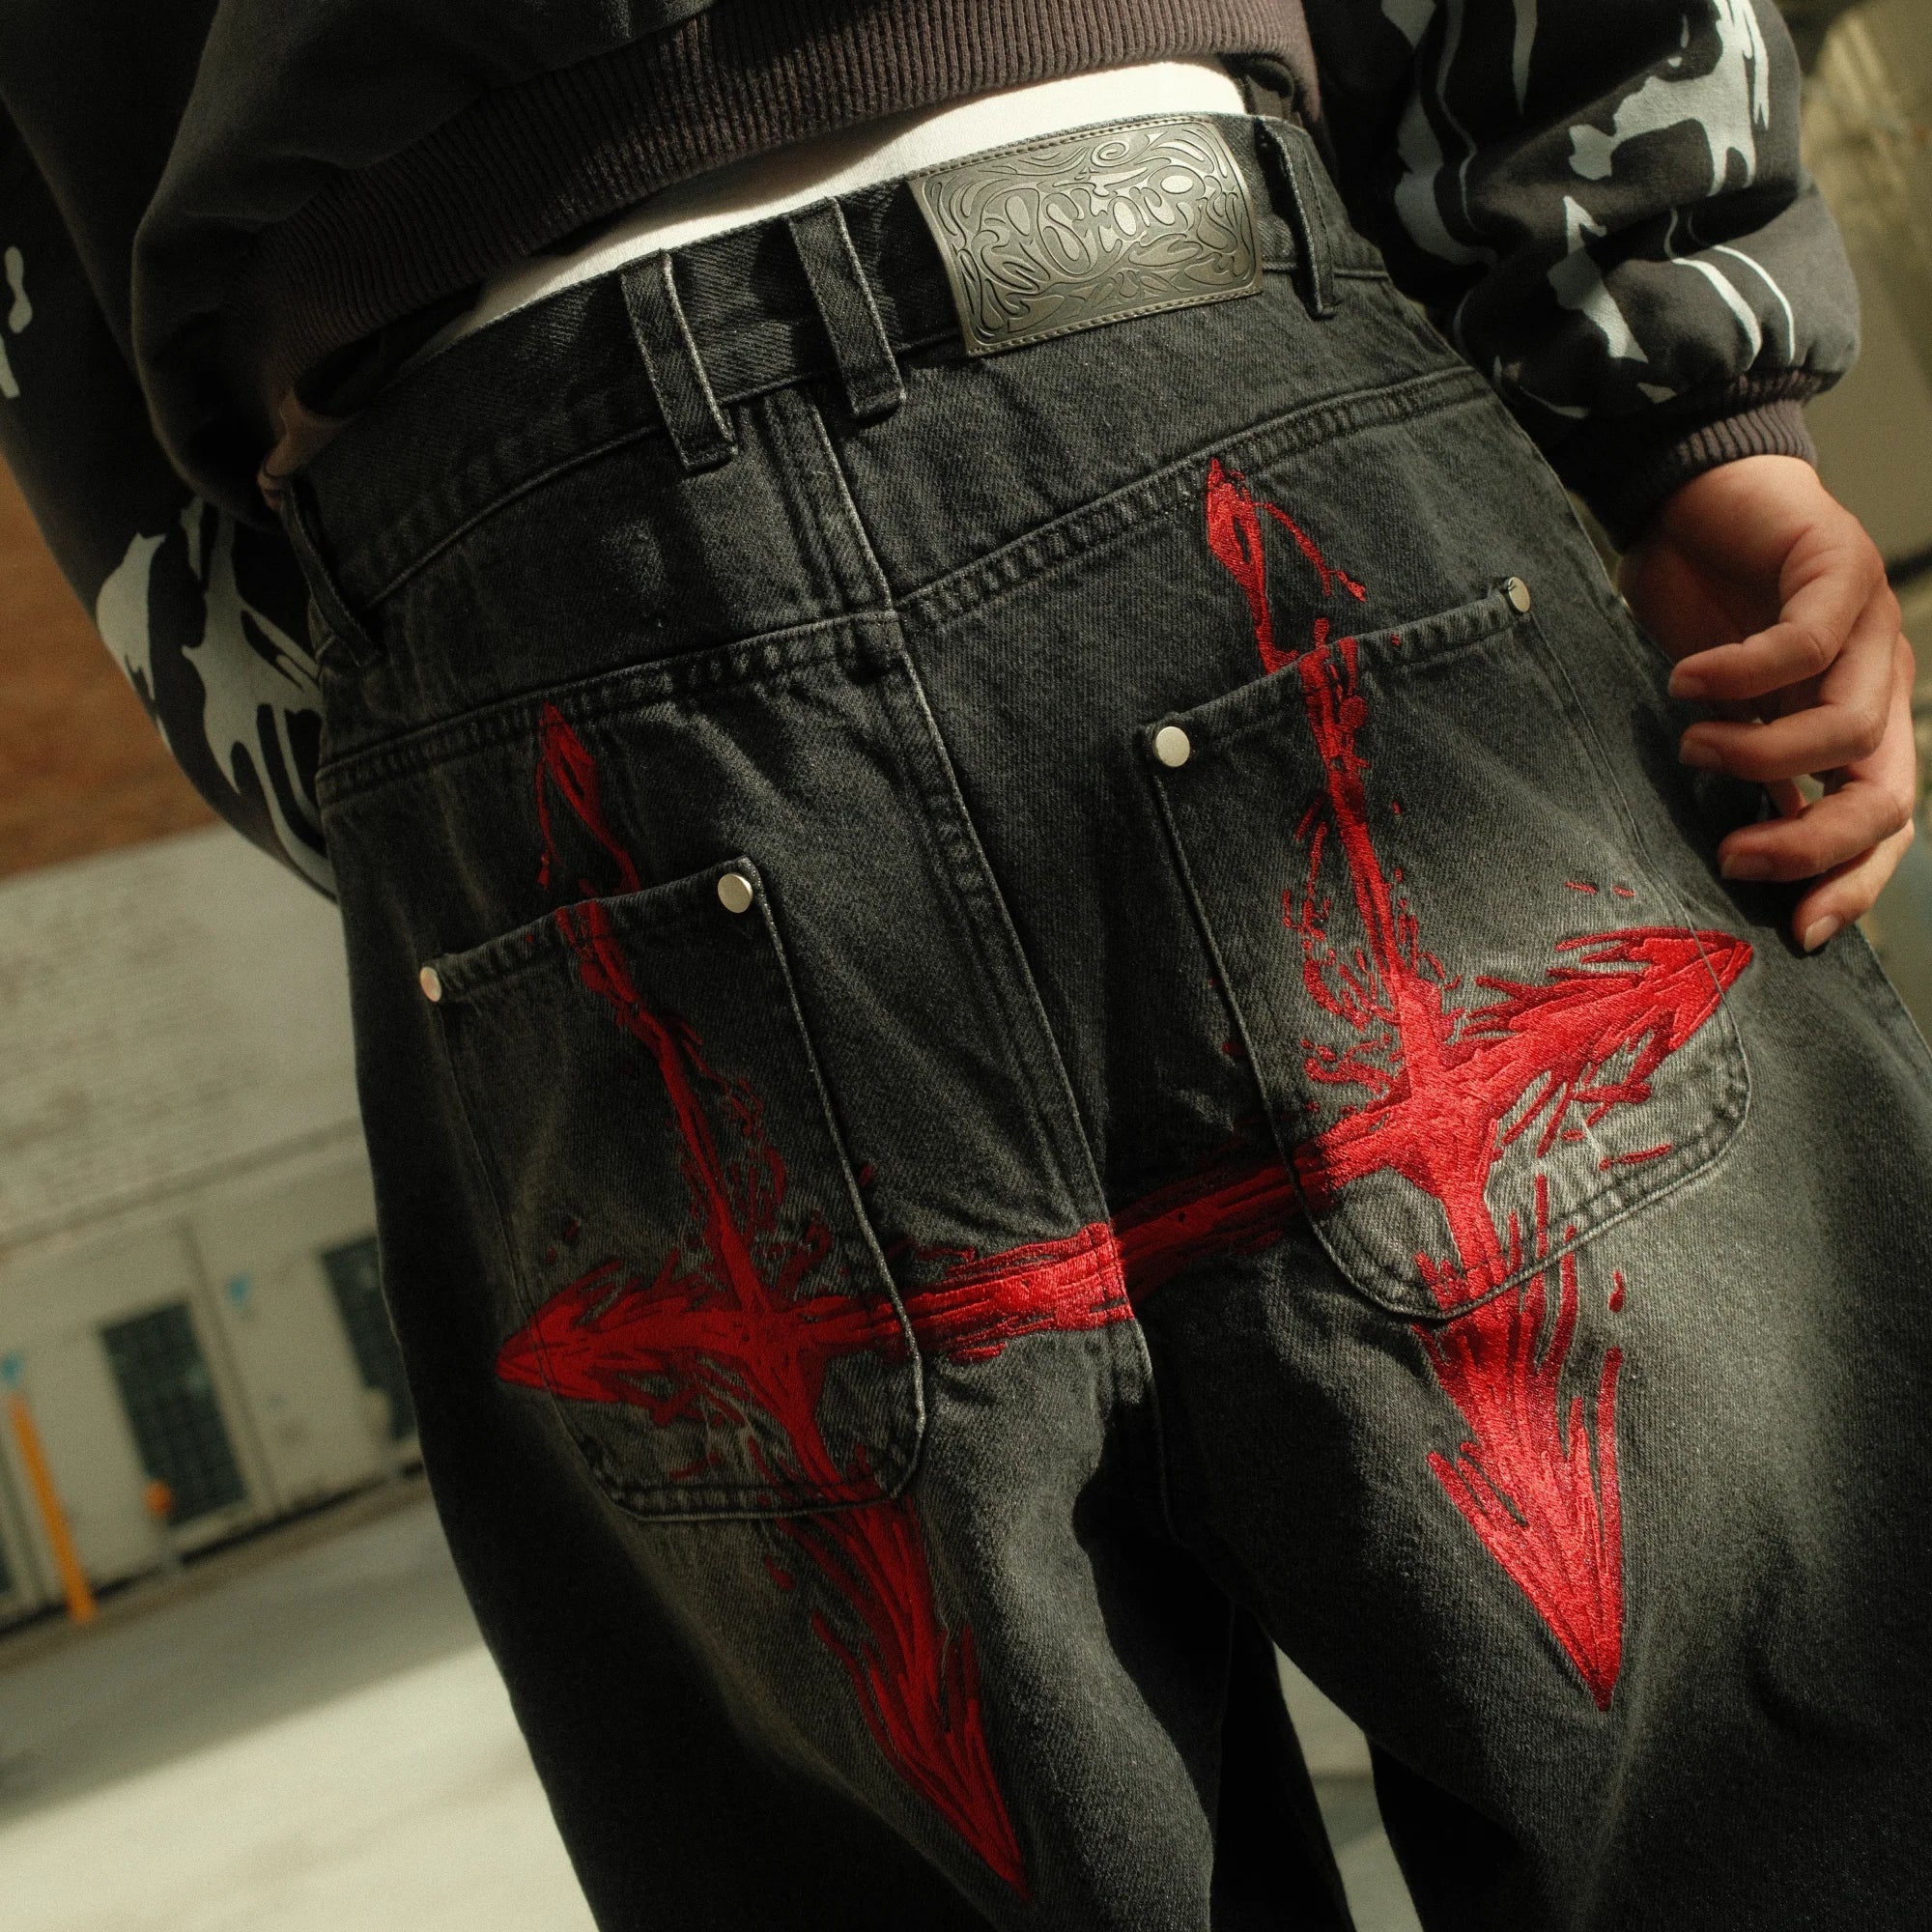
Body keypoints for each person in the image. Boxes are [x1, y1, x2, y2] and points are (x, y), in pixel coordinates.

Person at [2, 4, 1927, 1925]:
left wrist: (407, 759)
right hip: (1192, 333)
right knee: (1783, 1812)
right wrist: (1680, 363)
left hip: (515, 600)